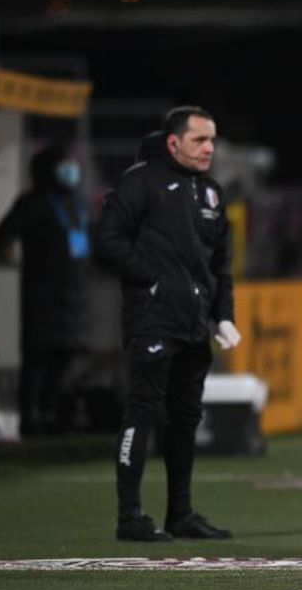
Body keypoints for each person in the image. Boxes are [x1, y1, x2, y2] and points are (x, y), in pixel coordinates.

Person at [94, 107, 241, 542]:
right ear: (174, 142)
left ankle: (181, 513)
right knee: (142, 411)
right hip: (153, 320)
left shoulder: (211, 193)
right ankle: (130, 516)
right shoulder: (141, 181)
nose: (210, 148)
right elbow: (107, 241)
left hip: (194, 325)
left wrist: (224, 314)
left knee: (185, 419)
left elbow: (220, 264)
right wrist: (153, 278)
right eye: (200, 140)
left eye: (212, 139)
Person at [0, 141, 92, 438]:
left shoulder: (78, 204)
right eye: (64, 166)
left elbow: (95, 239)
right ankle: (29, 415)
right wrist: (6, 251)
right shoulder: (33, 203)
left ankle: (50, 412)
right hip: (42, 293)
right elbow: (4, 233)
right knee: (38, 356)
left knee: (66, 355)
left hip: (75, 294)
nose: (71, 172)